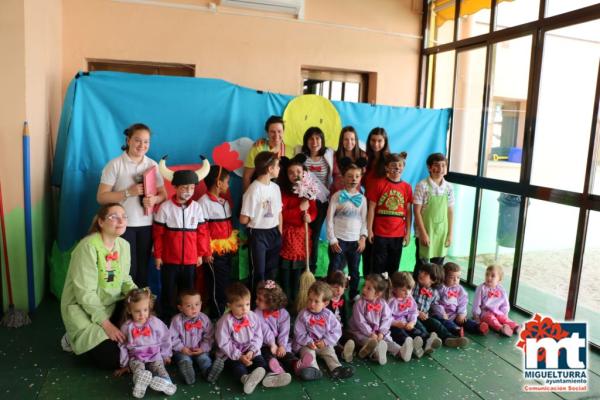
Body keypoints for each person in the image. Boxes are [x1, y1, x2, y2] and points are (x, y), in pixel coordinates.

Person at [60, 203, 137, 369]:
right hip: (83, 309)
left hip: (111, 304)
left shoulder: (124, 246)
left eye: (124, 216)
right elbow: (85, 293)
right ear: (101, 222)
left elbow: (124, 279)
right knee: (114, 359)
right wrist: (107, 326)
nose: (121, 220)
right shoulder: (87, 247)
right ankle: (72, 337)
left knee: (138, 333)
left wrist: (138, 295)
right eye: (114, 217)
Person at [97, 123, 167, 287]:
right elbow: (101, 197)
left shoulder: (152, 165)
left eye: (146, 142)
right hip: (121, 226)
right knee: (125, 269)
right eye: (137, 140)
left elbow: (163, 194)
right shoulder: (115, 165)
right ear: (128, 140)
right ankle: (123, 307)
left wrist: (154, 200)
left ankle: (140, 309)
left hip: (146, 225)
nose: (142, 145)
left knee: (142, 270)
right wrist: (128, 192)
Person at [153, 162, 211, 322]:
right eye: (184, 188)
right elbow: (158, 234)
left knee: (189, 292)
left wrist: (201, 254)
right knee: (168, 291)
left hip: (191, 260)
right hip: (169, 260)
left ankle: (188, 320)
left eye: (191, 188)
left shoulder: (197, 208)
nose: (188, 191)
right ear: (176, 188)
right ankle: (168, 319)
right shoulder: (165, 208)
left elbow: (202, 233)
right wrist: (158, 255)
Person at [215, 282, 287, 394]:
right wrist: (239, 356)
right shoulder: (225, 321)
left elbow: (258, 336)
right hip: (232, 354)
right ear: (229, 306)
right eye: (239, 306)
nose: (244, 309)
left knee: (261, 362)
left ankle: (270, 376)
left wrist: (252, 350)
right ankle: (246, 379)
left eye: (247, 304)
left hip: (250, 350)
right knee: (238, 367)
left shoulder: (252, 316)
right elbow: (224, 343)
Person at [118, 287, 176, 398]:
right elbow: (123, 346)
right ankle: (140, 381)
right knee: (138, 368)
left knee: (160, 368)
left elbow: (165, 337)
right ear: (129, 310)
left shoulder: (155, 322)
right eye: (137, 311)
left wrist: (166, 354)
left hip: (155, 354)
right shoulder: (126, 327)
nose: (142, 314)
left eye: (145, 310)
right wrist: (124, 364)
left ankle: (167, 383)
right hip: (136, 356)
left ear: (149, 308)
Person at [255, 280, 316, 381]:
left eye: (260, 299)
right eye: (257, 298)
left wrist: (282, 346)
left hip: (280, 343)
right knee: (267, 356)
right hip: (265, 343)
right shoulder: (257, 313)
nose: (256, 301)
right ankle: (276, 369)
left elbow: (285, 331)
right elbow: (265, 331)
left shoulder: (284, 314)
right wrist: (272, 344)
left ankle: (296, 364)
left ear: (271, 302)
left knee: (287, 355)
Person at [240, 151, 283, 294]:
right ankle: (254, 304)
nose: (279, 169)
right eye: (277, 166)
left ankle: (269, 302)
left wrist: (279, 233)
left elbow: (278, 213)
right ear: (270, 169)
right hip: (258, 234)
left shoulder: (276, 188)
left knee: (272, 272)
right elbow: (243, 219)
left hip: (274, 233)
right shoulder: (253, 189)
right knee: (259, 272)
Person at [293, 281, 354, 380]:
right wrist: (308, 342)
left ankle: (336, 368)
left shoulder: (329, 315)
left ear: (325, 303)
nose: (312, 304)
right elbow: (299, 332)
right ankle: (312, 369)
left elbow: (337, 330)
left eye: (316, 301)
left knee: (330, 352)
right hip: (308, 345)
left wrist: (325, 341)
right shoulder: (303, 314)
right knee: (308, 354)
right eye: (310, 299)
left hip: (323, 344)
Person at [199, 165, 238, 317]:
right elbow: (202, 231)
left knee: (226, 280)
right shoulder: (204, 203)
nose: (228, 185)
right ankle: (217, 314)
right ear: (218, 183)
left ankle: (225, 311)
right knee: (217, 284)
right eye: (227, 182)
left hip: (226, 249)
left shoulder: (224, 202)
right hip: (213, 252)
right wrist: (207, 251)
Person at [326, 159, 368, 300]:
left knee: (354, 270)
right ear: (343, 178)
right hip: (338, 241)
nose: (353, 179)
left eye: (357, 176)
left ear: (360, 178)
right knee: (335, 269)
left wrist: (363, 238)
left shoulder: (362, 199)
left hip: (355, 242)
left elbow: (364, 221)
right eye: (350, 176)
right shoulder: (337, 196)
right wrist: (332, 239)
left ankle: (354, 293)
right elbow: (329, 219)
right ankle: (331, 293)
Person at [277, 155, 317, 303]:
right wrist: (298, 209)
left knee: (299, 272)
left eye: (298, 172)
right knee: (287, 271)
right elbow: (282, 215)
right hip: (288, 237)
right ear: (286, 176)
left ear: (304, 173)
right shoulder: (283, 193)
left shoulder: (308, 192)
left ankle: (298, 301)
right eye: (291, 173)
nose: (296, 175)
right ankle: (286, 301)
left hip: (303, 237)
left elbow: (313, 210)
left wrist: (310, 217)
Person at [366, 153, 413, 275]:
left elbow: (408, 212)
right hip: (380, 233)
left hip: (398, 234)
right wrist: (369, 229)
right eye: (393, 165)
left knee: (394, 267)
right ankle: (377, 292)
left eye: (400, 165)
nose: (397, 168)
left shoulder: (407, 187)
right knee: (378, 266)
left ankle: (391, 291)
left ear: (403, 167)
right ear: (386, 167)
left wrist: (407, 232)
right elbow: (371, 208)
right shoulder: (379, 184)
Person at [348, 274, 410, 364]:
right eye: (364, 286)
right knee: (369, 343)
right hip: (362, 332)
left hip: (378, 332)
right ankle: (377, 355)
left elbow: (387, 319)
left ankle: (401, 352)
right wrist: (371, 333)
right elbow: (360, 322)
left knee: (388, 340)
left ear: (378, 293)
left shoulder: (382, 303)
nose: (364, 289)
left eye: (369, 288)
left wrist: (381, 332)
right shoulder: (359, 304)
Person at [297, 127, 334, 273]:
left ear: (322, 140)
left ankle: (311, 268)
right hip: (305, 201)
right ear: (306, 141)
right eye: (311, 138)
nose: (314, 142)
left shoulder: (329, 155)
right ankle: (300, 266)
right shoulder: (300, 156)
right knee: (304, 233)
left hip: (322, 202)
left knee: (316, 234)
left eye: (318, 138)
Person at [169, 289, 224, 385]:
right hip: (183, 351)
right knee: (184, 360)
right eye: (189, 306)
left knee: (204, 359)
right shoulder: (176, 320)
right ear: (180, 308)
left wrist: (203, 348)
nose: (194, 308)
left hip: (199, 350)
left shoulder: (204, 319)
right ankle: (188, 375)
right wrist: (181, 348)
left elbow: (209, 336)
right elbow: (172, 337)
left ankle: (208, 373)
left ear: (201, 304)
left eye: (197, 304)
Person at [413, 153, 454, 273]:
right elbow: (416, 211)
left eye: (443, 165)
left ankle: (434, 290)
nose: (440, 169)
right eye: (436, 165)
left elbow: (450, 211)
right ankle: (418, 290)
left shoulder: (449, 188)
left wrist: (450, 234)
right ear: (429, 168)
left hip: (442, 233)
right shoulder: (422, 185)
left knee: (438, 266)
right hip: (426, 231)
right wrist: (423, 234)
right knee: (422, 265)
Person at [413, 263, 469, 348]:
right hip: (411, 316)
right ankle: (429, 340)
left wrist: (442, 313)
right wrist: (417, 312)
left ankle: (448, 338)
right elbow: (406, 303)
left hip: (424, 316)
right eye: (421, 272)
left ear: (434, 279)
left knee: (436, 323)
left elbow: (435, 304)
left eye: (426, 274)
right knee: (420, 327)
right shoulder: (413, 287)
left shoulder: (434, 292)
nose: (421, 274)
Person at [362, 127, 390, 276]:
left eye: (379, 141)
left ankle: (380, 283)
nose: (376, 144)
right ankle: (367, 279)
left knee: (380, 250)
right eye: (373, 140)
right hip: (367, 208)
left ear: (385, 142)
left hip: (383, 210)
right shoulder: (365, 159)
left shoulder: (389, 161)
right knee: (367, 246)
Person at [432, 262, 489, 336]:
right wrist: (442, 313)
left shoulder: (460, 289)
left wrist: (461, 313)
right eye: (452, 277)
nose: (455, 280)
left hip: (454, 314)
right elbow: (435, 302)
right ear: (444, 277)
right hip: (442, 315)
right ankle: (456, 330)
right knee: (442, 322)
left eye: (458, 277)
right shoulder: (439, 288)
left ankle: (477, 327)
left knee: (464, 321)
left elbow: (463, 302)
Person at [387, 272, 429, 359]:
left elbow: (413, 311)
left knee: (416, 330)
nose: (407, 293)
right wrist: (395, 323)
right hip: (393, 325)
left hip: (406, 322)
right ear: (394, 288)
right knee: (400, 334)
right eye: (403, 290)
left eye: (409, 290)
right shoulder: (391, 300)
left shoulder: (409, 297)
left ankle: (426, 342)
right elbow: (385, 318)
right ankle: (411, 347)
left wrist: (412, 322)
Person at [472, 265, 521, 336]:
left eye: (492, 276)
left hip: (497, 311)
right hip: (485, 313)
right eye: (487, 274)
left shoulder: (501, 289)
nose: (489, 277)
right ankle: (501, 328)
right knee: (492, 320)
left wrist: (504, 313)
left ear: (499, 279)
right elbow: (476, 303)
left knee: (504, 319)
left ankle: (515, 326)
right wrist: (476, 315)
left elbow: (505, 303)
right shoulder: (481, 288)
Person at [243, 116, 288, 192]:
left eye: (279, 131)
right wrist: (248, 197)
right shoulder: (258, 148)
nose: (276, 135)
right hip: (259, 193)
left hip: (281, 194)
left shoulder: (290, 150)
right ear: (267, 133)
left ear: (283, 131)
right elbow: (247, 177)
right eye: (272, 132)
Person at [325, 271, 355, 363]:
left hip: (340, 328)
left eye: (342, 287)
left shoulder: (343, 299)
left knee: (351, 338)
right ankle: (343, 352)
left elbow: (345, 315)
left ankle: (361, 349)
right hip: (329, 331)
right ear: (328, 286)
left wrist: (346, 328)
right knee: (333, 343)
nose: (339, 290)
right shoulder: (326, 301)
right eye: (335, 287)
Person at [330, 126, 367, 194]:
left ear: (356, 140)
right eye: (346, 139)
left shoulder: (363, 155)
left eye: (352, 139)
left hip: (355, 196)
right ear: (341, 141)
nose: (349, 142)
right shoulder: (334, 156)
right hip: (336, 195)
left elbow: (365, 178)